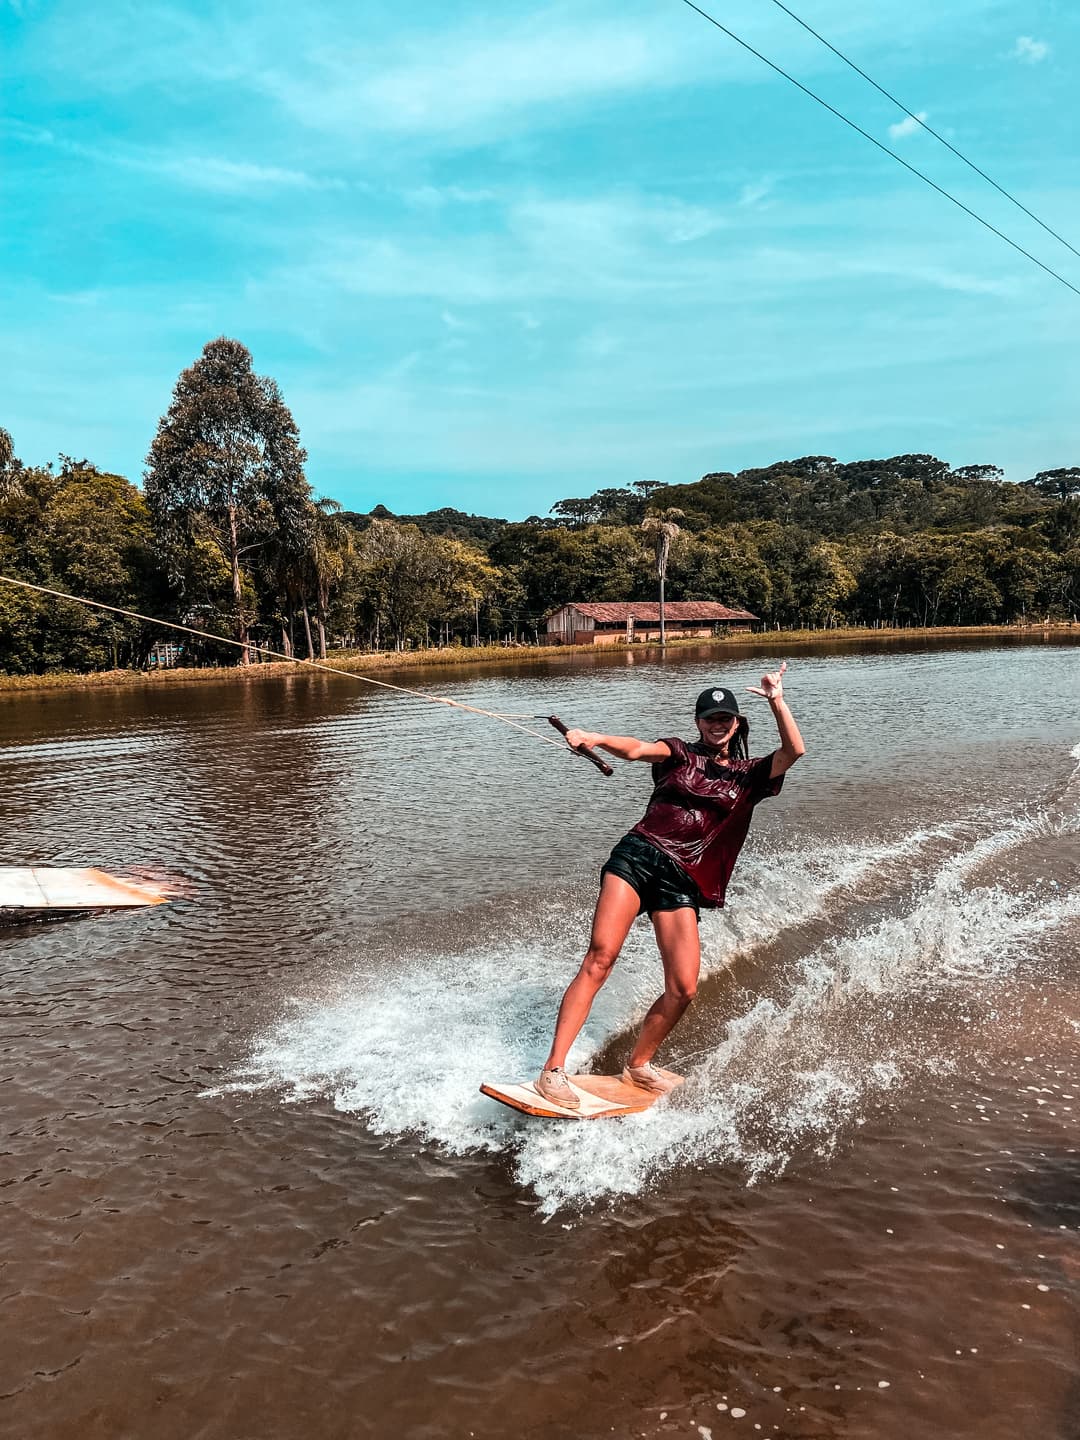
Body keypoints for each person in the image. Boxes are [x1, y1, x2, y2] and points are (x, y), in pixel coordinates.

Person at [536, 662, 805, 1110]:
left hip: (683, 879)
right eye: (709, 718)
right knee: (601, 958)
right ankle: (553, 1070)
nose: (717, 725)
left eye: (725, 718)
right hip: (639, 857)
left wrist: (777, 699)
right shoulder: (679, 753)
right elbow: (638, 749)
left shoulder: (750, 775)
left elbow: (794, 750)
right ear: (698, 722)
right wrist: (596, 738)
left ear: (736, 723)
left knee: (684, 987)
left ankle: (638, 1065)